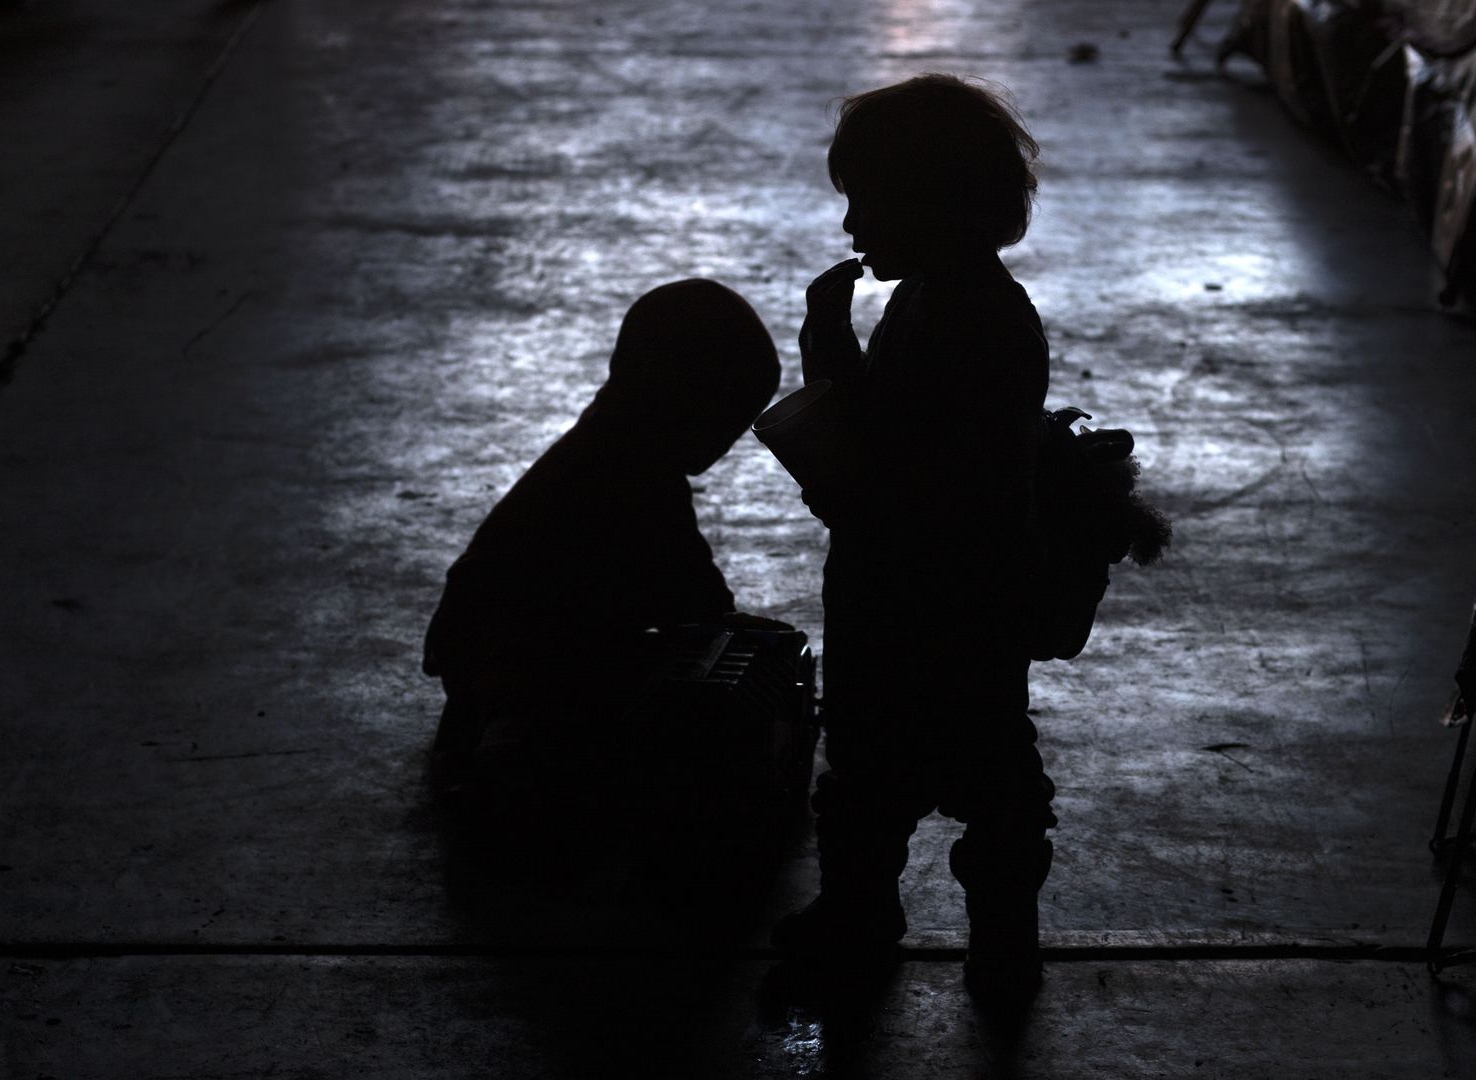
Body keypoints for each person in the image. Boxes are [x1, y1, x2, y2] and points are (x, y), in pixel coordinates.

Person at [772, 74, 1056, 993]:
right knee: (990, 774)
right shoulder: (954, 298)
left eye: (866, 203)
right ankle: (1000, 942)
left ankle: (869, 916)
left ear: (931, 202)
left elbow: (892, 459)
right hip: (967, 597)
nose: (853, 229)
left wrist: (825, 355)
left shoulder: (962, 318)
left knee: (870, 775)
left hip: (915, 592)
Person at [422, 279, 782, 832]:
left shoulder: (623, 450)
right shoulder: (618, 477)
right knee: (549, 716)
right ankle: (490, 764)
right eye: (725, 425)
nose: (726, 445)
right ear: (679, 404)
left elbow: (691, 589)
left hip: (522, 631)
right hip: (498, 646)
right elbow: (694, 597)